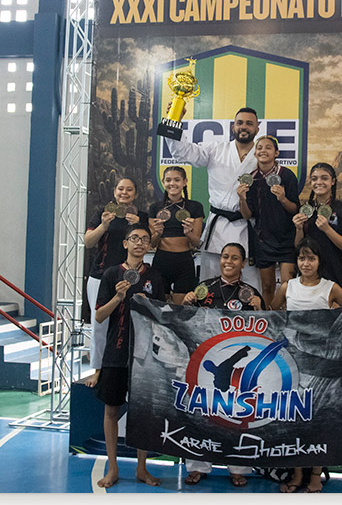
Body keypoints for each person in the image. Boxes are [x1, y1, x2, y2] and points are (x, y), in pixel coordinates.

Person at [270, 237, 342, 493]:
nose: (306, 263)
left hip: (323, 366)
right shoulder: (287, 287)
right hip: (292, 363)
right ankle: (297, 475)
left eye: (311, 258)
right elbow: (272, 314)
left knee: (319, 421)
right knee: (294, 420)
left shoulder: (331, 288)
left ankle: (315, 476)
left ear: (319, 261)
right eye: (302, 258)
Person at [181, 242, 265, 487]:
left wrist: (261, 309)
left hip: (236, 367)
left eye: (235, 258)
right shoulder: (203, 289)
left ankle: (238, 468)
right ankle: (197, 466)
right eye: (225, 256)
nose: (229, 261)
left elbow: (266, 329)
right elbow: (185, 321)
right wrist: (186, 303)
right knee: (201, 414)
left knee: (236, 416)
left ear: (243, 263)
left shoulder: (251, 293)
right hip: (205, 360)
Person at [94, 223, 165, 488]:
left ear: (149, 246)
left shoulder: (154, 277)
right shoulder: (112, 274)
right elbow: (99, 316)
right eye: (134, 238)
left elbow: (163, 317)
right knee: (111, 411)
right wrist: (118, 297)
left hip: (144, 355)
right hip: (116, 352)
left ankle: (141, 468)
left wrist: (149, 307)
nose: (139, 243)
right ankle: (112, 468)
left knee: (142, 413)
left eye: (144, 239)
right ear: (125, 243)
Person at [165, 107, 261, 290]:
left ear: (257, 128)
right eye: (240, 123)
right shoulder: (216, 150)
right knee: (209, 286)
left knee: (249, 287)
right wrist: (175, 119)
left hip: (248, 229)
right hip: (218, 229)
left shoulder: (262, 156)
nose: (244, 127)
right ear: (233, 127)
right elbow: (182, 153)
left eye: (249, 123)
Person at [84, 178, 149, 387]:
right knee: (99, 324)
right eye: (121, 189)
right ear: (114, 192)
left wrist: (138, 225)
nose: (124, 193)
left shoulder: (141, 217)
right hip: (101, 275)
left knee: (130, 324)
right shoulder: (102, 213)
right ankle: (98, 370)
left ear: (135, 194)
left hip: (131, 276)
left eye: (129, 189)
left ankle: (131, 369)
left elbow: (151, 243)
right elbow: (88, 242)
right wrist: (103, 225)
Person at [238, 135, 300, 302]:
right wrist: (242, 199)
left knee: (288, 286)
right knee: (266, 287)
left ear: (276, 153)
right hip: (263, 241)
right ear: (255, 153)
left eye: (268, 147)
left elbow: (295, 209)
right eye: (259, 148)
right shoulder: (251, 178)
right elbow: (247, 215)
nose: (263, 151)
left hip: (286, 240)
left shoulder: (287, 175)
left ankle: (287, 317)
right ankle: (268, 317)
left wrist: (283, 199)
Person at [292, 162, 342, 293]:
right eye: (314, 179)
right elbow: (298, 246)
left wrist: (327, 229)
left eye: (324, 178)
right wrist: (298, 229)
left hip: (333, 271)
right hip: (308, 273)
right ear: (310, 182)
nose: (319, 182)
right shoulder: (305, 210)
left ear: (333, 181)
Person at [148, 166, 204, 304]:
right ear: (163, 182)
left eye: (177, 180)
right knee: (160, 308)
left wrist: (188, 233)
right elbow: (152, 244)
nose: (172, 183)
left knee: (182, 308)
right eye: (168, 180)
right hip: (161, 260)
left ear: (185, 182)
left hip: (184, 261)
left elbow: (197, 243)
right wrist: (158, 233)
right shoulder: (155, 208)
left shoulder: (195, 207)